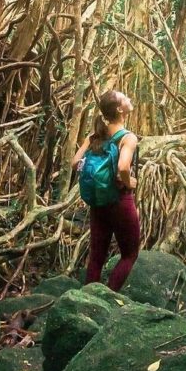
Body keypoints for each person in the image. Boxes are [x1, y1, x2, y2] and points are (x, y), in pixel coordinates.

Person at [72, 89, 140, 290]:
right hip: (120, 201)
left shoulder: (95, 136)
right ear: (120, 109)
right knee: (130, 254)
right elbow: (122, 168)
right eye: (124, 97)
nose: (129, 98)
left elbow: (75, 163)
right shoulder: (127, 137)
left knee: (96, 257)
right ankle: (108, 297)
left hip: (98, 202)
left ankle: (88, 301)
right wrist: (130, 183)